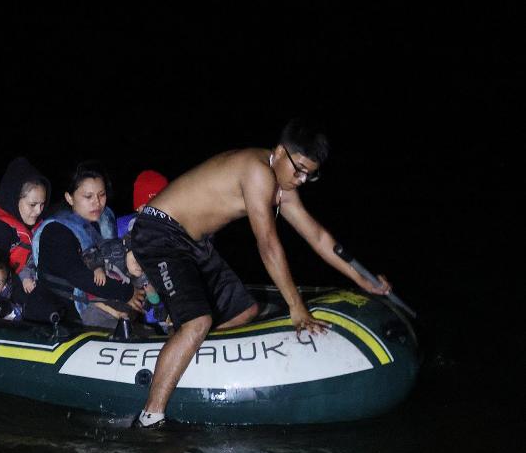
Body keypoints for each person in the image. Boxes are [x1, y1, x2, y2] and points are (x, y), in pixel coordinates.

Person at [128, 119, 393, 428]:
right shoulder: (257, 171)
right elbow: (267, 244)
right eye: (299, 169)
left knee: (246, 310)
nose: (303, 179)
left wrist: (365, 280)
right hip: (160, 232)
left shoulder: (284, 184)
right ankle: (150, 417)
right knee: (198, 321)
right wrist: (296, 307)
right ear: (280, 152)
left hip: (193, 243)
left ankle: (184, 359)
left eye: (311, 174)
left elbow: (318, 236)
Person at [26, 162, 143, 328]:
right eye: (88, 197)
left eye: (101, 195)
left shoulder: (103, 223)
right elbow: (80, 277)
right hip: (62, 319)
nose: (97, 202)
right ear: (69, 198)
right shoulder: (56, 231)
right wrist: (128, 292)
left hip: (104, 308)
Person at [0, 157, 49, 296]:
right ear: (14, 199)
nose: (39, 211)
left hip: (30, 279)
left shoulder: (34, 223)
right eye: (33, 205)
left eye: (42, 204)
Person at [116, 169, 169, 237]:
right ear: (137, 208)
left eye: (158, 207)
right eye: (146, 207)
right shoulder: (122, 230)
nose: (153, 213)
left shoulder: (175, 231)